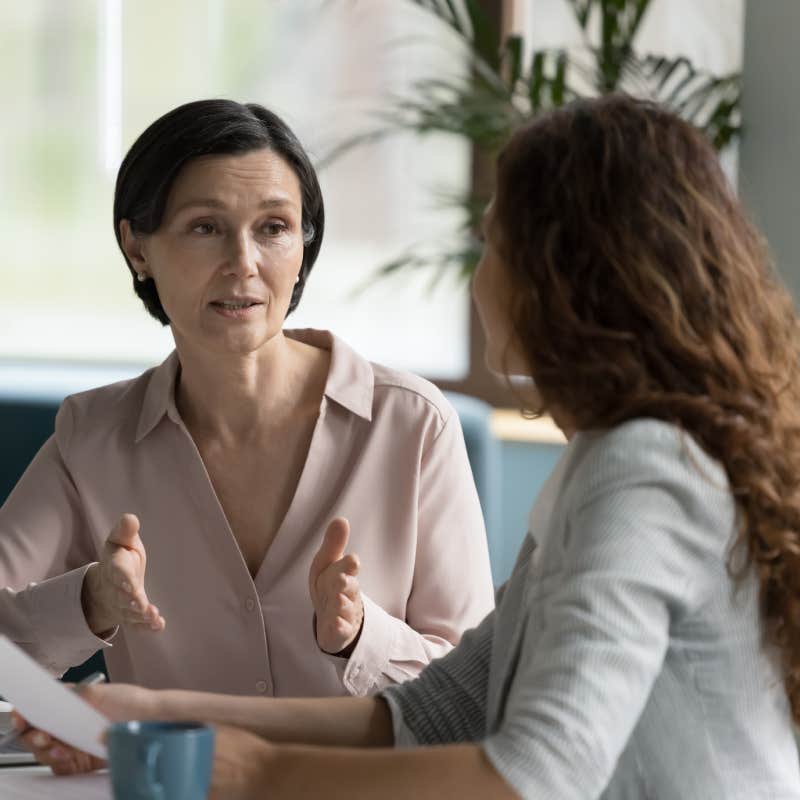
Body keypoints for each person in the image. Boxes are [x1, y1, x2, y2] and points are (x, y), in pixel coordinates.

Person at [22, 93, 800, 798]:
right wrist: (155, 712)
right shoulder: (606, 459)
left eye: (494, 244)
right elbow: (443, 709)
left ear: (566, 277)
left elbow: (538, 773)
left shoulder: (644, 472)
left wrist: (256, 770)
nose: (478, 276)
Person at [0, 99, 494, 698]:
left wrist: (361, 635)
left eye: (273, 228)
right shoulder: (93, 436)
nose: (244, 264)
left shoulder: (412, 425)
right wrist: (92, 600)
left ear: (304, 246)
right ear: (138, 248)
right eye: (205, 227)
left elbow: (474, 691)